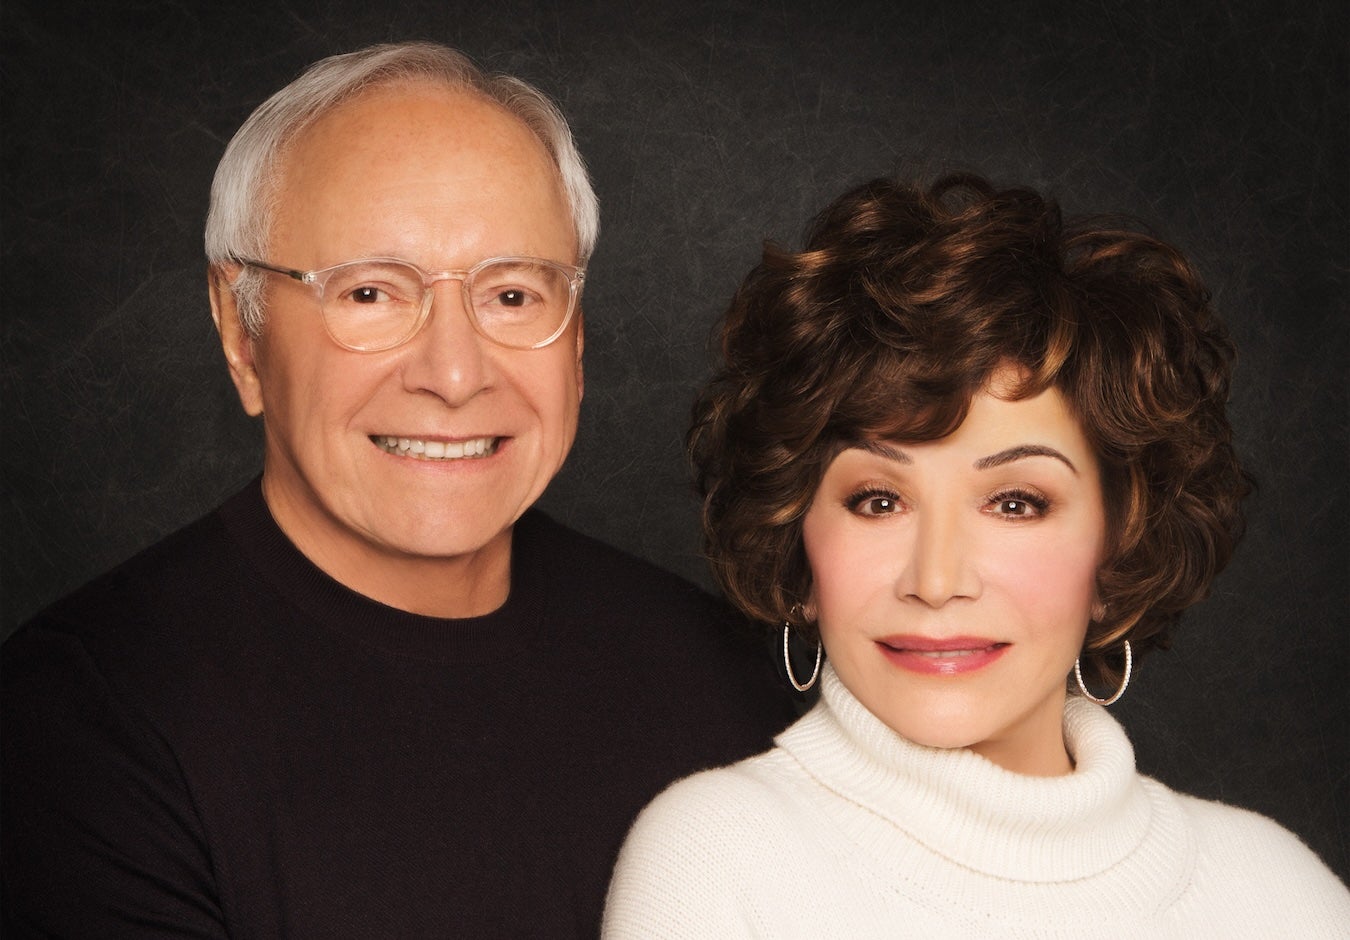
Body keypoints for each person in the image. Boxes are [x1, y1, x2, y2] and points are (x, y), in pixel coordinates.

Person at [1, 42, 795, 937]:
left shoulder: (722, 678)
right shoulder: (82, 720)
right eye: (371, 293)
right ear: (240, 331)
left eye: (512, 296)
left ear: (576, 337)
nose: (454, 375)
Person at [602, 175, 1350, 936]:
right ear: (796, 544)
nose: (936, 580)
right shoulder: (718, 860)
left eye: (1016, 503)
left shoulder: (1278, 891)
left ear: (1121, 545)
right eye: (878, 501)